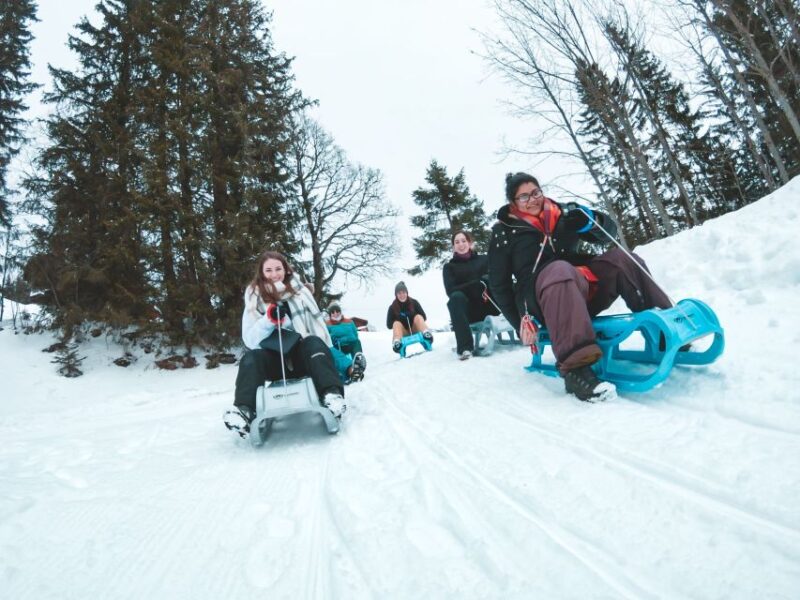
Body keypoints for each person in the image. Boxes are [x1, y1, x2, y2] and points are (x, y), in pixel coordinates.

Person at [488, 172, 672, 402]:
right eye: (524, 197)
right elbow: (499, 285)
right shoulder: (503, 233)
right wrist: (520, 325)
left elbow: (608, 234)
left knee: (622, 258)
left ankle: (667, 331)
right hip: (540, 300)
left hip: (580, 286)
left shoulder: (564, 214)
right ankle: (576, 371)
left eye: (535, 192)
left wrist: (591, 221)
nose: (532, 199)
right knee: (559, 270)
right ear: (513, 203)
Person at [223, 251, 349, 439]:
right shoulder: (253, 297)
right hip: (273, 360)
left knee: (314, 342)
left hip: (302, 357)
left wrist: (288, 321)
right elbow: (249, 340)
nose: (274, 274)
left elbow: (317, 329)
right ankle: (244, 410)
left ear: (286, 269)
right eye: (269, 270)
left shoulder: (301, 292)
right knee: (251, 358)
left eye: (278, 269)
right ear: (261, 272)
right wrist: (269, 319)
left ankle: (331, 396)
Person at [443, 230, 499, 360]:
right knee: (455, 298)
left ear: (470, 243)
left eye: (463, 241)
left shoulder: (484, 259)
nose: (461, 244)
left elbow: (497, 275)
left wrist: (487, 279)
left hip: (489, 305)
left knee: (510, 285)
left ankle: (524, 331)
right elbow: (450, 290)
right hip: (469, 312)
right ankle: (465, 348)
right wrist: (473, 285)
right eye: (457, 242)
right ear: (453, 247)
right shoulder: (449, 267)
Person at [386, 281, 433, 353]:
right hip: (403, 332)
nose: (402, 295)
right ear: (396, 295)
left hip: (416, 328)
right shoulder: (392, 307)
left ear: (407, 293)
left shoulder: (414, 302)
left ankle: (426, 334)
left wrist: (413, 315)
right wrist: (398, 319)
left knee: (418, 317)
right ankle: (397, 343)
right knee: (396, 323)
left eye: (403, 292)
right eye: (399, 293)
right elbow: (389, 325)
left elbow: (424, 317)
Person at [325, 302, 367, 382]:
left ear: (340, 312)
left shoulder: (349, 322)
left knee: (357, 342)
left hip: (349, 344)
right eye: (333, 312)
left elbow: (355, 335)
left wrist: (344, 339)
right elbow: (327, 337)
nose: (335, 314)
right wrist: (334, 339)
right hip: (337, 347)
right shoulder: (327, 324)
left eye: (337, 311)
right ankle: (350, 370)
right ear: (330, 314)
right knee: (332, 350)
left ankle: (358, 359)